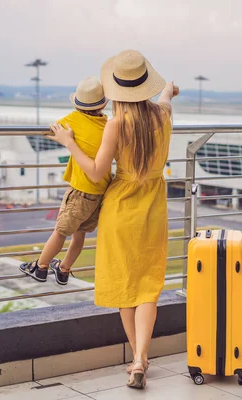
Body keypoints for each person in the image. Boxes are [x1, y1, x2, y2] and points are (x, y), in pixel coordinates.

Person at [49, 49, 179, 390]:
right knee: (148, 286)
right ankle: (140, 359)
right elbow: (165, 99)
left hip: (120, 208)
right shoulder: (163, 116)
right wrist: (170, 91)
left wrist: (68, 142)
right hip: (154, 207)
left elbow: (94, 173)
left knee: (125, 287)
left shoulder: (116, 125)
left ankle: (139, 359)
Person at [20, 76, 111, 285]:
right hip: (99, 193)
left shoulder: (74, 119)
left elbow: (50, 131)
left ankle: (40, 267)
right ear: (103, 104)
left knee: (60, 231)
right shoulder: (106, 124)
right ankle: (63, 269)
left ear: (78, 104)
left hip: (79, 191)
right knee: (79, 235)